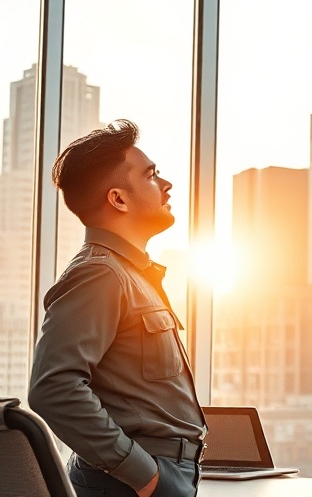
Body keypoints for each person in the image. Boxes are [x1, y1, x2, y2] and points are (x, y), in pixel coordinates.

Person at [29, 120, 205, 497]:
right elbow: (53, 387)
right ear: (118, 199)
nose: (167, 184)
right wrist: (146, 477)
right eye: (152, 175)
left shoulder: (132, 274)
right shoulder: (100, 274)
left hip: (162, 475)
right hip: (130, 483)